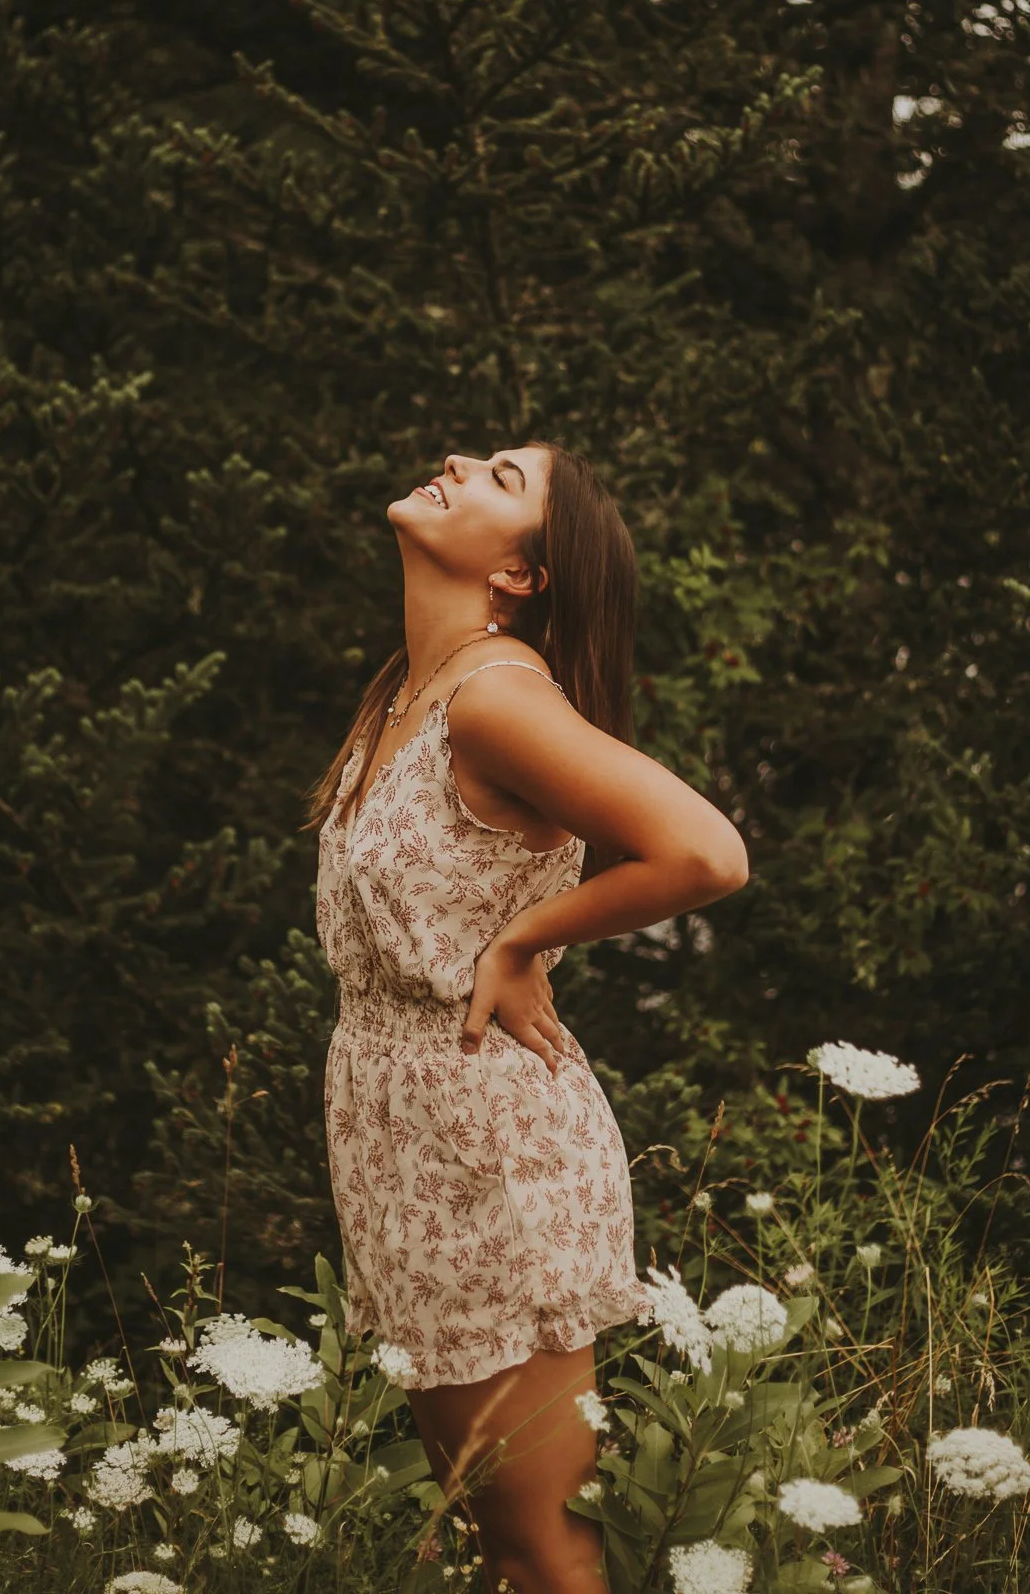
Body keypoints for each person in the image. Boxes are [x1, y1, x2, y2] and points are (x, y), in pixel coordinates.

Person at [303, 440, 749, 1592]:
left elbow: (706, 851)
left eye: (503, 476)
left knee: (544, 1547)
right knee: (496, 1538)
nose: (457, 458)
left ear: (522, 574)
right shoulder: (411, 692)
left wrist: (524, 936)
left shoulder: (497, 698)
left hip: (487, 1148)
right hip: (411, 1138)